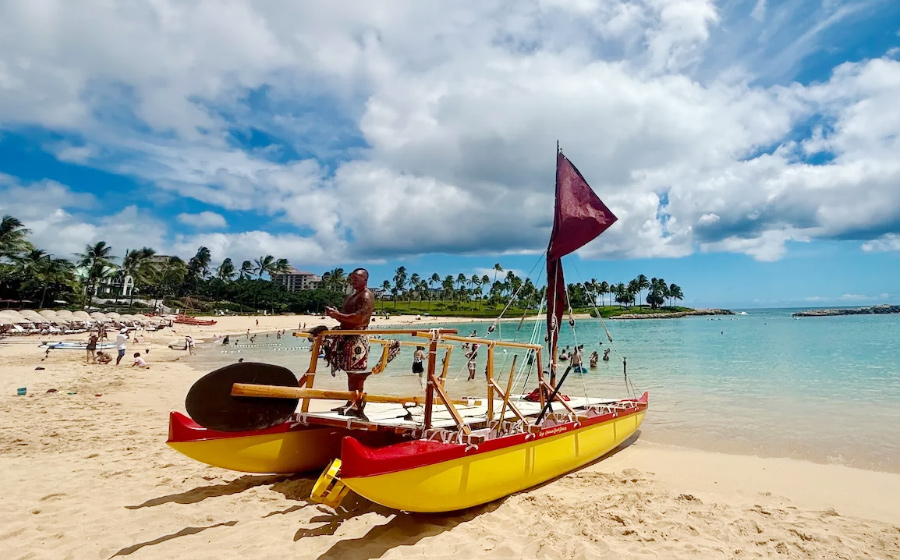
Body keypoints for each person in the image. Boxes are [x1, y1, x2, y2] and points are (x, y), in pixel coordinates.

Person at [320, 268, 392, 416]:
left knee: (356, 374)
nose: (353, 280)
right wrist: (337, 315)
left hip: (357, 337)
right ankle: (351, 401)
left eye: (356, 278)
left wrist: (337, 315)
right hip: (349, 336)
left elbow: (359, 318)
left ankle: (356, 405)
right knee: (351, 372)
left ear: (365, 279)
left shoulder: (366, 295)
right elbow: (349, 316)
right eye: (352, 278)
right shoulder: (354, 295)